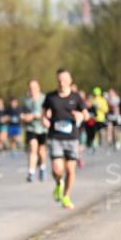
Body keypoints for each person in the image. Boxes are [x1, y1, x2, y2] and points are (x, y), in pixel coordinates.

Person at [43, 68, 88, 210]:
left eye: (64, 80)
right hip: (55, 136)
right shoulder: (51, 97)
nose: (62, 83)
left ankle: (66, 196)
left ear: (70, 81)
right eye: (59, 80)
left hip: (72, 137)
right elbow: (43, 114)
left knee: (70, 169)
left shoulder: (76, 97)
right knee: (57, 169)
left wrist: (81, 116)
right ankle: (58, 184)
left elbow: (86, 115)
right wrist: (44, 120)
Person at [22, 79, 48, 182]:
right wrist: (25, 117)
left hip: (42, 128)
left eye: (34, 87)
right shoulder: (25, 100)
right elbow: (22, 114)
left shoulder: (44, 98)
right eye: (31, 87)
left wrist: (37, 115)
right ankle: (31, 172)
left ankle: (42, 168)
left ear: (38, 87)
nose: (32, 89)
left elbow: (48, 112)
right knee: (33, 148)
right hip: (31, 128)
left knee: (41, 150)